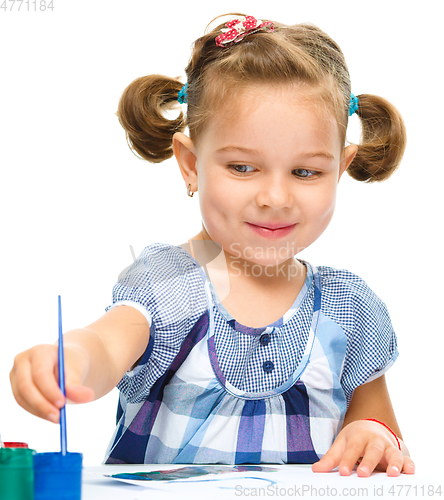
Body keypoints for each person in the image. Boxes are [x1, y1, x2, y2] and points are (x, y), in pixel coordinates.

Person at [10, 13, 415, 477]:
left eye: (306, 172)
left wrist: (374, 435)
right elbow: (105, 345)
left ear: (341, 169)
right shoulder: (170, 283)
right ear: (189, 164)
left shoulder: (350, 309)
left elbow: (381, 430)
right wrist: (69, 360)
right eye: (243, 168)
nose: (275, 198)